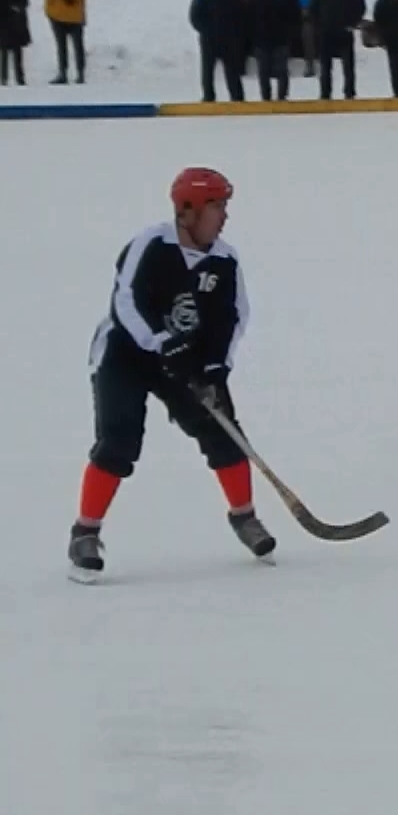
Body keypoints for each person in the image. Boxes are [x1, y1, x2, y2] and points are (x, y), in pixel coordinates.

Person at [68, 168, 274, 583]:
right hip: (124, 353)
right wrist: (160, 341)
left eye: (224, 207)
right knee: (120, 438)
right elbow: (126, 302)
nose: (224, 216)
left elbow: (231, 318)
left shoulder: (224, 260)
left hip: (185, 359)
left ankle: (245, 518)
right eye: (216, 207)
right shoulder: (151, 244)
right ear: (187, 211)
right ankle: (85, 534)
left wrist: (216, 366)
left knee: (223, 430)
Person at [309, 0, 364, 100]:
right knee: (325, 67)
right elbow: (314, 7)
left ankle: (349, 93)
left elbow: (360, 5)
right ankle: (325, 94)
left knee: (348, 66)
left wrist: (353, 23)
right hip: (326, 32)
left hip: (345, 31)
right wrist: (318, 26)